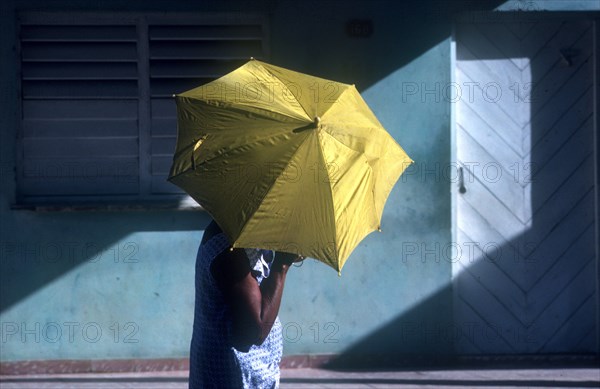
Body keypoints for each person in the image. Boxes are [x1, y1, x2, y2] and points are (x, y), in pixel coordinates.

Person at [188, 219, 302, 389]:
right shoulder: (230, 248)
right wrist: (282, 264)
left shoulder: (247, 238)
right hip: (233, 376)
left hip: (251, 374)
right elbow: (255, 331)